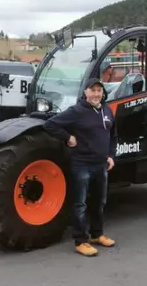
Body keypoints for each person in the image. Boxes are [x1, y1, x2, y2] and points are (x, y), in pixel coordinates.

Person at [43, 78, 117, 257]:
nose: (96, 94)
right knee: (80, 204)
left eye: (99, 91)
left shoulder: (106, 110)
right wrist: (68, 138)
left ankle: (97, 235)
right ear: (85, 92)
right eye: (93, 90)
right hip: (82, 165)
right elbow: (50, 125)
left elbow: (113, 135)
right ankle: (81, 241)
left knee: (100, 202)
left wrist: (111, 156)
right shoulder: (76, 111)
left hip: (101, 165)